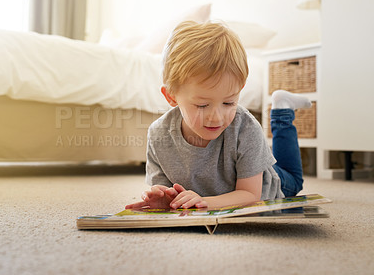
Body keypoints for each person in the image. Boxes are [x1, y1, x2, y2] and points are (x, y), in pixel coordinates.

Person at [125, 21, 311, 210]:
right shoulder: (159, 135)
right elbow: (166, 190)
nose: (217, 117)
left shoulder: (245, 127)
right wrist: (164, 199)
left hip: (268, 181)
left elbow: (250, 195)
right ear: (171, 97)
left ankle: (282, 111)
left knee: (295, 180)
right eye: (202, 105)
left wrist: (207, 202)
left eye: (229, 103)